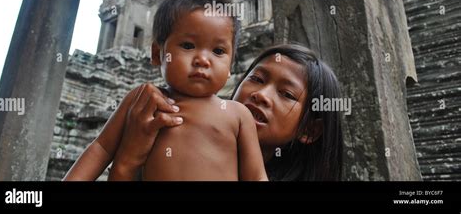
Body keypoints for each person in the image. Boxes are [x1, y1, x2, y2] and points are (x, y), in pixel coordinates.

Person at [65, 0, 267, 181]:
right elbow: (101, 148)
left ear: (231, 63)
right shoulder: (143, 100)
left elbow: (256, 176)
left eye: (218, 51)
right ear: (156, 54)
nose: (203, 60)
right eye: (188, 45)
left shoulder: (238, 115)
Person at [64, 42, 344, 181]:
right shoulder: (166, 125)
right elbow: (100, 148)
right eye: (256, 79)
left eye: (286, 94)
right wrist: (127, 161)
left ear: (310, 130)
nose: (261, 95)